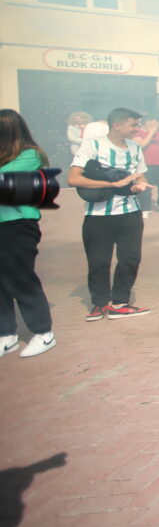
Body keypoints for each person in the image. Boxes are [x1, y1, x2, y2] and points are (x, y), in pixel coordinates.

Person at [68, 107, 153, 320]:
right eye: (134, 125)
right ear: (117, 125)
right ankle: (99, 304)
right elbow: (74, 178)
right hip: (98, 216)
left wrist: (139, 185)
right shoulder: (93, 145)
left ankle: (120, 303)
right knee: (99, 261)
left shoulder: (135, 147)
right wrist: (112, 183)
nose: (138, 129)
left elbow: (140, 176)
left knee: (130, 258)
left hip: (131, 213)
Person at [0, 110, 57, 358]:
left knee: (21, 279)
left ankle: (44, 333)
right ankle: (7, 335)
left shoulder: (30, 155)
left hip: (18, 226)